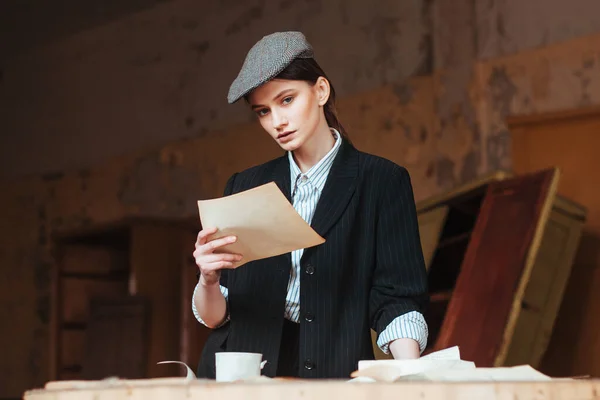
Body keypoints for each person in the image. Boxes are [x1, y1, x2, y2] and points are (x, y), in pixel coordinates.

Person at [192, 31, 429, 379]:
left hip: (333, 371)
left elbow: (397, 297)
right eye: (262, 111)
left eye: (286, 100)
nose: (277, 122)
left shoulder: (382, 181)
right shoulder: (244, 185)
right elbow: (216, 316)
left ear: (320, 90)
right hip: (240, 374)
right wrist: (208, 280)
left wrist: (409, 376)